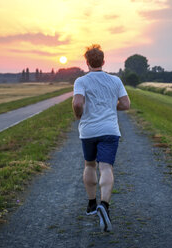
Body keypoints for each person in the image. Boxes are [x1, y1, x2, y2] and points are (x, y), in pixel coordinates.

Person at [72, 44, 130, 232]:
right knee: (106, 167)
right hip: (110, 131)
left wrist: (78, 114)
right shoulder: (115, 80)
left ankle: (91, 204)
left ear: (87, 62)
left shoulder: (81, 81)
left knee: (90, 165)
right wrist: (111, 108)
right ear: (103, 62)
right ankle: (104, 206)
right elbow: (126, 104)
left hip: (88, 131)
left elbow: (78, 102)